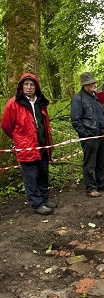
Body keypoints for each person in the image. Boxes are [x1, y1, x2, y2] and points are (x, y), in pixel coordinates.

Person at [2, 73, 56, 214]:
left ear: (36, 87)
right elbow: (6, 125)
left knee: (43, 173)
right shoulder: (13, 103)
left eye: (31, 85)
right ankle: (37, 203)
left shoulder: (41, 102)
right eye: (26, 84)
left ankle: (44, 199)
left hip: (43, 144)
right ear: (21, 86)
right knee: (31, 176)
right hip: (26, 146)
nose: (29, 87)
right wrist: (18, 139)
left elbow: (44, 123)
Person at [71, 72, 104, 197]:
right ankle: (91, 188)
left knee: (101, 161)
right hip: (90, 135)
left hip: (101, 132)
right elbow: (75, 120)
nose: (95, 84)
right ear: (85, 85)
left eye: (95, 82)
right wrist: (85, 134)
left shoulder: (95, 96)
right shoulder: (78, 99)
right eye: (91, 83)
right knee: (90, 163)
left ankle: (102, 184)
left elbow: (99, 113)